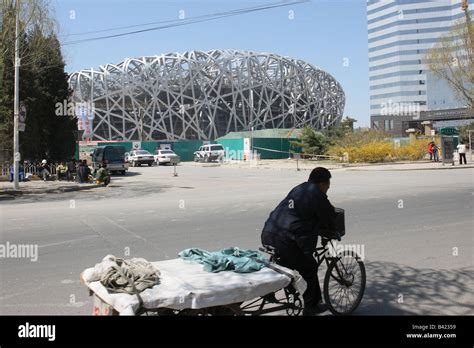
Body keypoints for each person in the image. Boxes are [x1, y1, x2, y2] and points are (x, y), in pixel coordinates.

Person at [261, 167, 336, 316]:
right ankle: (312, 306)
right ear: (323, 183)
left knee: (285, 264)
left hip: (269, 233)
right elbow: (328, 216)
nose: (328, 187)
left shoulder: (299, 188)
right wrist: (332, 231)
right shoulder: (317, 194)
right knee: (309, 267)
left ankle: (268, 291)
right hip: (286, 239)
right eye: (328, 184)